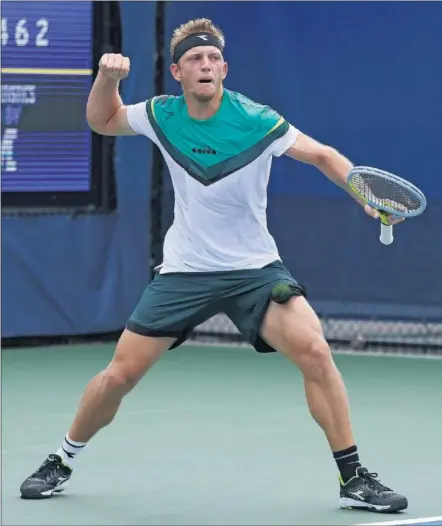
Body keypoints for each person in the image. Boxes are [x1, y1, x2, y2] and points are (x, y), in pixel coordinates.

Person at [20, 18, 406, 513]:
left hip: (255, 271)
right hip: (185, 270)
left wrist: (366, 197)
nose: (205, 66)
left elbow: (324, 156)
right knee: (119, 376)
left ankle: (354, 477)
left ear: (223, 68)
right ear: (178, 72)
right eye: (194, 60)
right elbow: (102, 120)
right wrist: (108, 78)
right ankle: (62, 459)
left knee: (314, 350)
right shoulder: (161, 115)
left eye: (212, 59)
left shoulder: (258, 120)